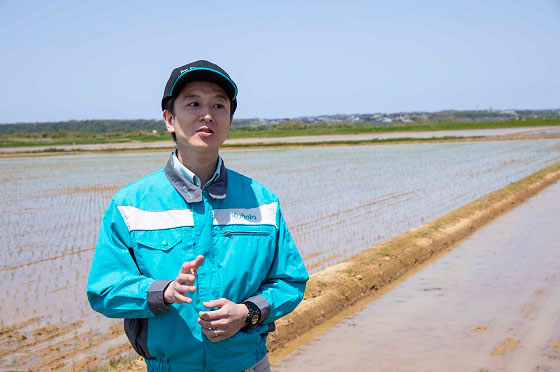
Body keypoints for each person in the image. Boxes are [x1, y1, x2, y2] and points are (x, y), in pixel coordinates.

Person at [87, 60, 309, 372]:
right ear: (169, 118)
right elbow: (105, 289)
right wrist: (163, 292)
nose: (207, 114)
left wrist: (248, 312)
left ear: (229, 121)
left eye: (219, 105)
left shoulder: (263, 202)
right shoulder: (131, 204)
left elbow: (290, 280)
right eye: (193, 103)